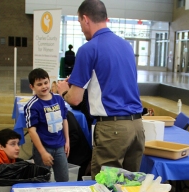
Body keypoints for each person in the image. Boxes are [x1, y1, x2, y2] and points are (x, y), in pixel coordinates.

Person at [58, 0, 145, 178]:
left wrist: (63, 92)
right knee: (127, 190)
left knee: (104, 189)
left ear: (85, 19)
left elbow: (75, 99)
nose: (81, 28)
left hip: (112, 130)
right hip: (137, 127)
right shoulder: (126, 46)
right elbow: (112, 81)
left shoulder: (89, 49)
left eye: (80, 22)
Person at [24, 68, 70, 182]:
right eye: (39, 84)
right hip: (44, 148)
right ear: (32, 87)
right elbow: (32, 131)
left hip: (60, 147)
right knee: (42, 180)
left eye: (46, 83)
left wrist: (67, 141)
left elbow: (64, 120)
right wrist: (43, 152)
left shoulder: (59, 99)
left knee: (64, 179)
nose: (44, 86)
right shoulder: (32, 105)